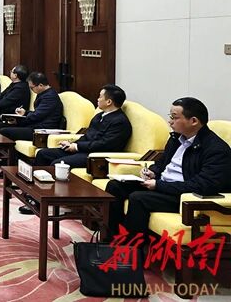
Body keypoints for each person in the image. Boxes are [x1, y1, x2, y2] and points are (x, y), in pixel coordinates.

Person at [105, 97, 231, 238]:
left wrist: (158, 185)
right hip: (164, 186)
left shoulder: (216, 149)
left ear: (194, 121)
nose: (170, 121)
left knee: (138, 198)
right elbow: (162, 162)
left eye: (175, 117)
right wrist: (153, 172)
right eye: (170, 116)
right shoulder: (176, 138)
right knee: (115, 186)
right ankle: (110, 238)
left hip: (183, 195)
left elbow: (203, 185)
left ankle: (131, 246)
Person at [35, 84, 131, 167]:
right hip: (84, 150)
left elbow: (104, 144)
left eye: (100, 97)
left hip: (95, 156)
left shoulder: (120, 122)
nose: (97, 99)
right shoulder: (99, 116)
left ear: (108, 102)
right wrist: (71, 144)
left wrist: (77, 146)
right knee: (43, 154)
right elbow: (87, 136)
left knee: (57, 164)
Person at [0, 72, 63, 142]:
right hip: (36, 125)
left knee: (4, 131)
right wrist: (25, 112)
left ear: (40, 85)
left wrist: (18, 121)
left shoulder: (50, 97)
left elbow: (36, 116)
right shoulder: (43, 93)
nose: (31, 90)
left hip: (42, 130)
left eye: (32, 88)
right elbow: (38, 113)